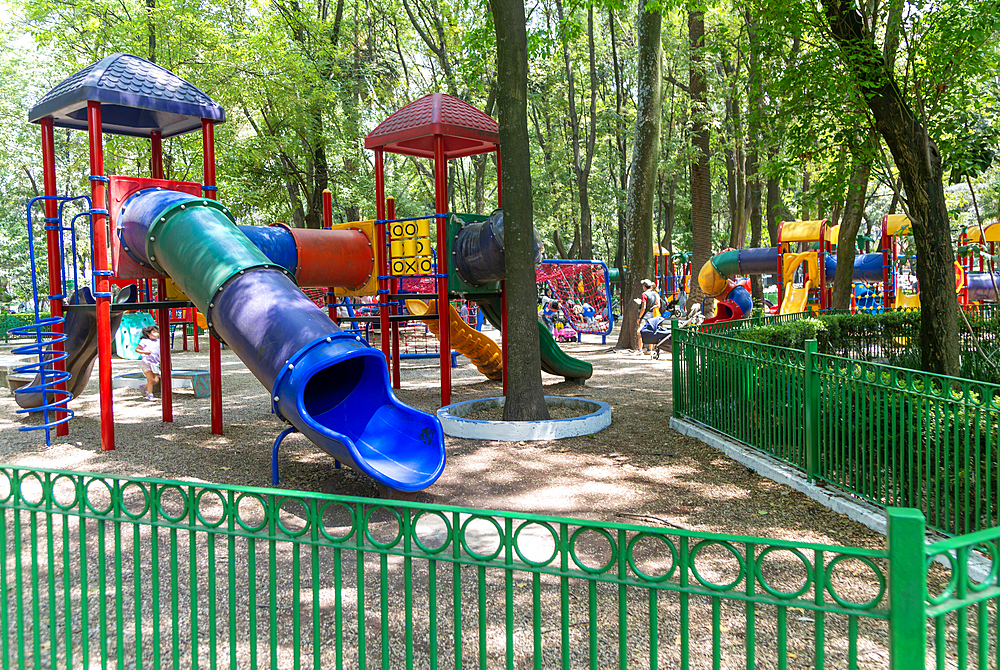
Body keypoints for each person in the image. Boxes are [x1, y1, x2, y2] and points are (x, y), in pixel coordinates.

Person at [634, 279, 661, 353]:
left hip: (645, 316)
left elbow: (644, 307)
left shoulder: (644, 294)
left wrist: (639, 317)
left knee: (639, 332)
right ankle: (650, 349)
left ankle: (640, 350)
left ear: (644, 286)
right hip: (652, 316)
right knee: (650, 332)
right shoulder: (654, 294)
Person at [135, 325, 161, 401]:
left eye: (157, 332)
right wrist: (144, 352)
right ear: (149, 334)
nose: (157, 334)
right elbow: (137, 349)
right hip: (146, 362)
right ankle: (150, 394)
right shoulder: (144, 341)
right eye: (154, 332)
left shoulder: (158, 341)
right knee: (150, 380)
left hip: (155, 363)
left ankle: (144, 387)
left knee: (155, 380)